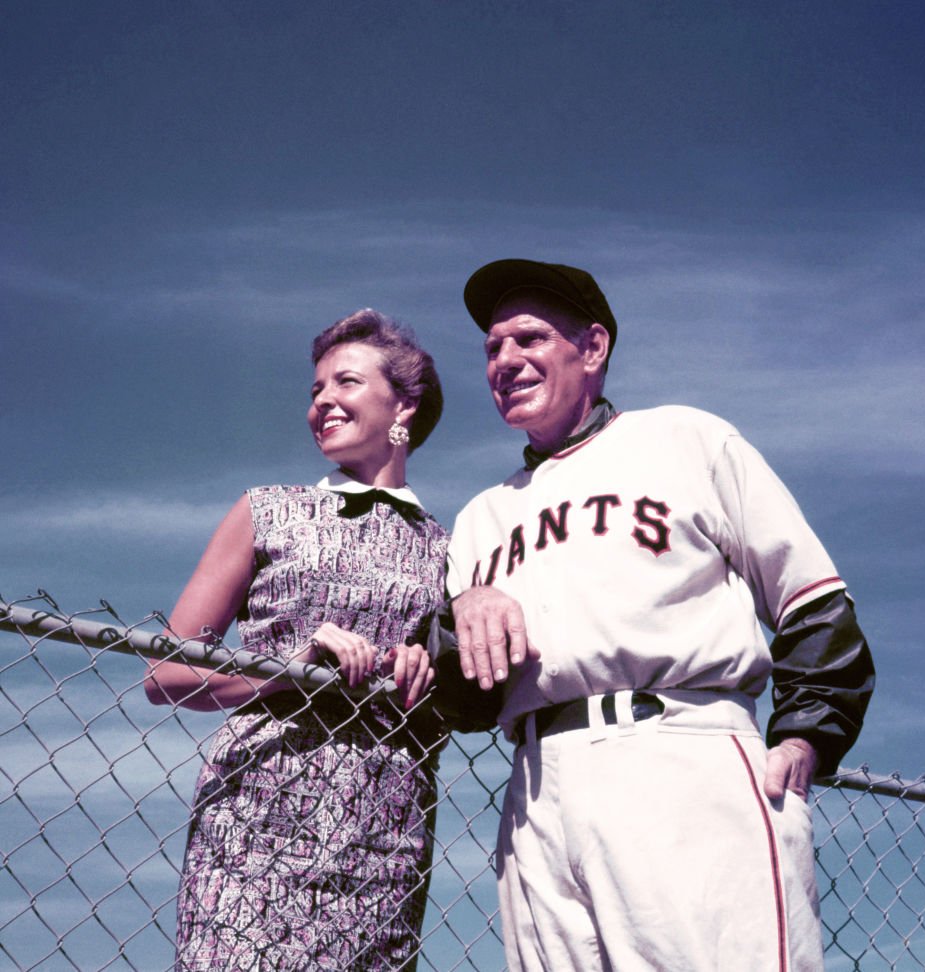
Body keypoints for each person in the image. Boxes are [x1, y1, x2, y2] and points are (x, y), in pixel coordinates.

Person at [445, 259, 875, 971]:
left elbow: (811, 596)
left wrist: (807, 733)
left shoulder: (684, 439)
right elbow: (463, 699)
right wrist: (459, 609)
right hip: (537, 789)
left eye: (528, 339)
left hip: (680, 752)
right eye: (492, 348)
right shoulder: (481, 517)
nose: (505, 361)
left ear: (592, 347)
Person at [145, 309, 449, 971]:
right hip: (255, 815)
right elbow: (164, 676)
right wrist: (293, 667)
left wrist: (424, 670)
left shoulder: (450, 550)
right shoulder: (266, 509)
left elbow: (458, 701)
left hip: (384, 829)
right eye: (315, 390)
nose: (323, 402)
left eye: (345, 383)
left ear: (406, 404)